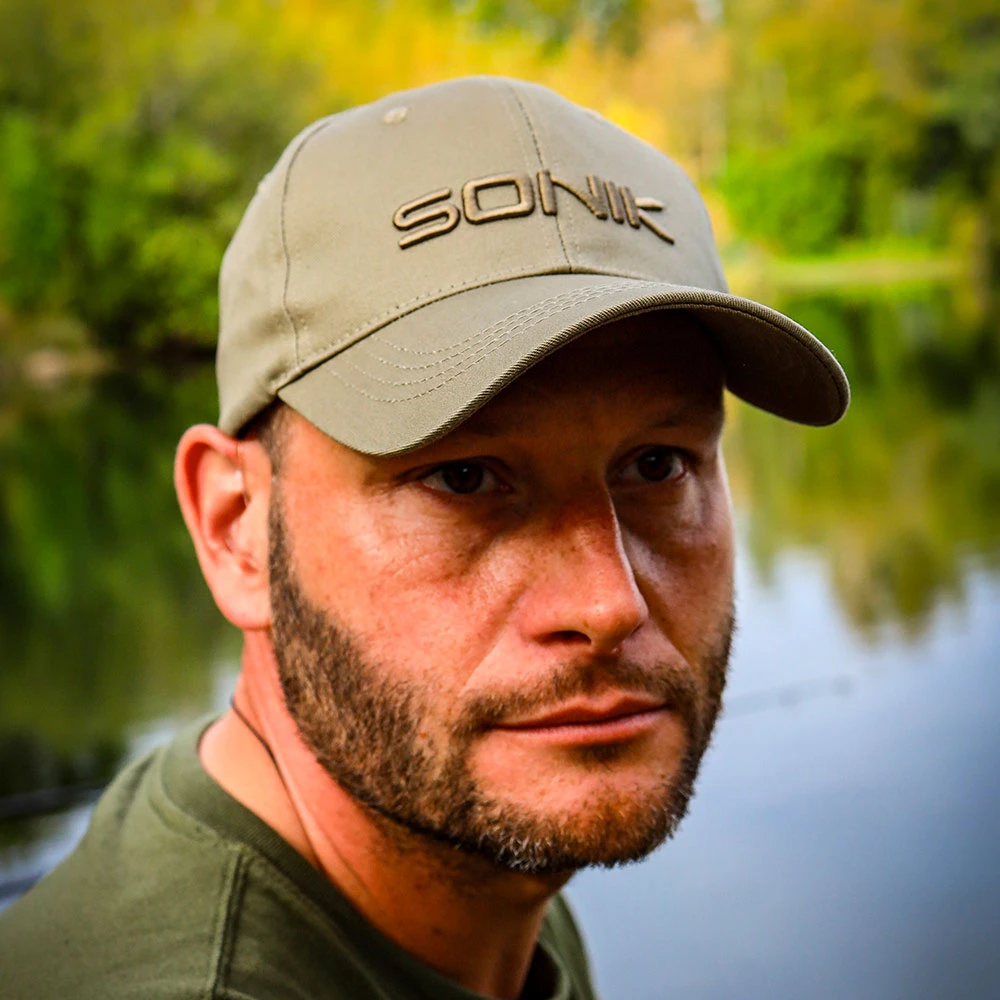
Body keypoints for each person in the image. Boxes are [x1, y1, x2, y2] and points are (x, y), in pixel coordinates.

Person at [0, 76, 848, 999]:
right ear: (236, 527)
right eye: (464, 478)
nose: (608, 603)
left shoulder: (474, 857)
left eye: (657, 465)